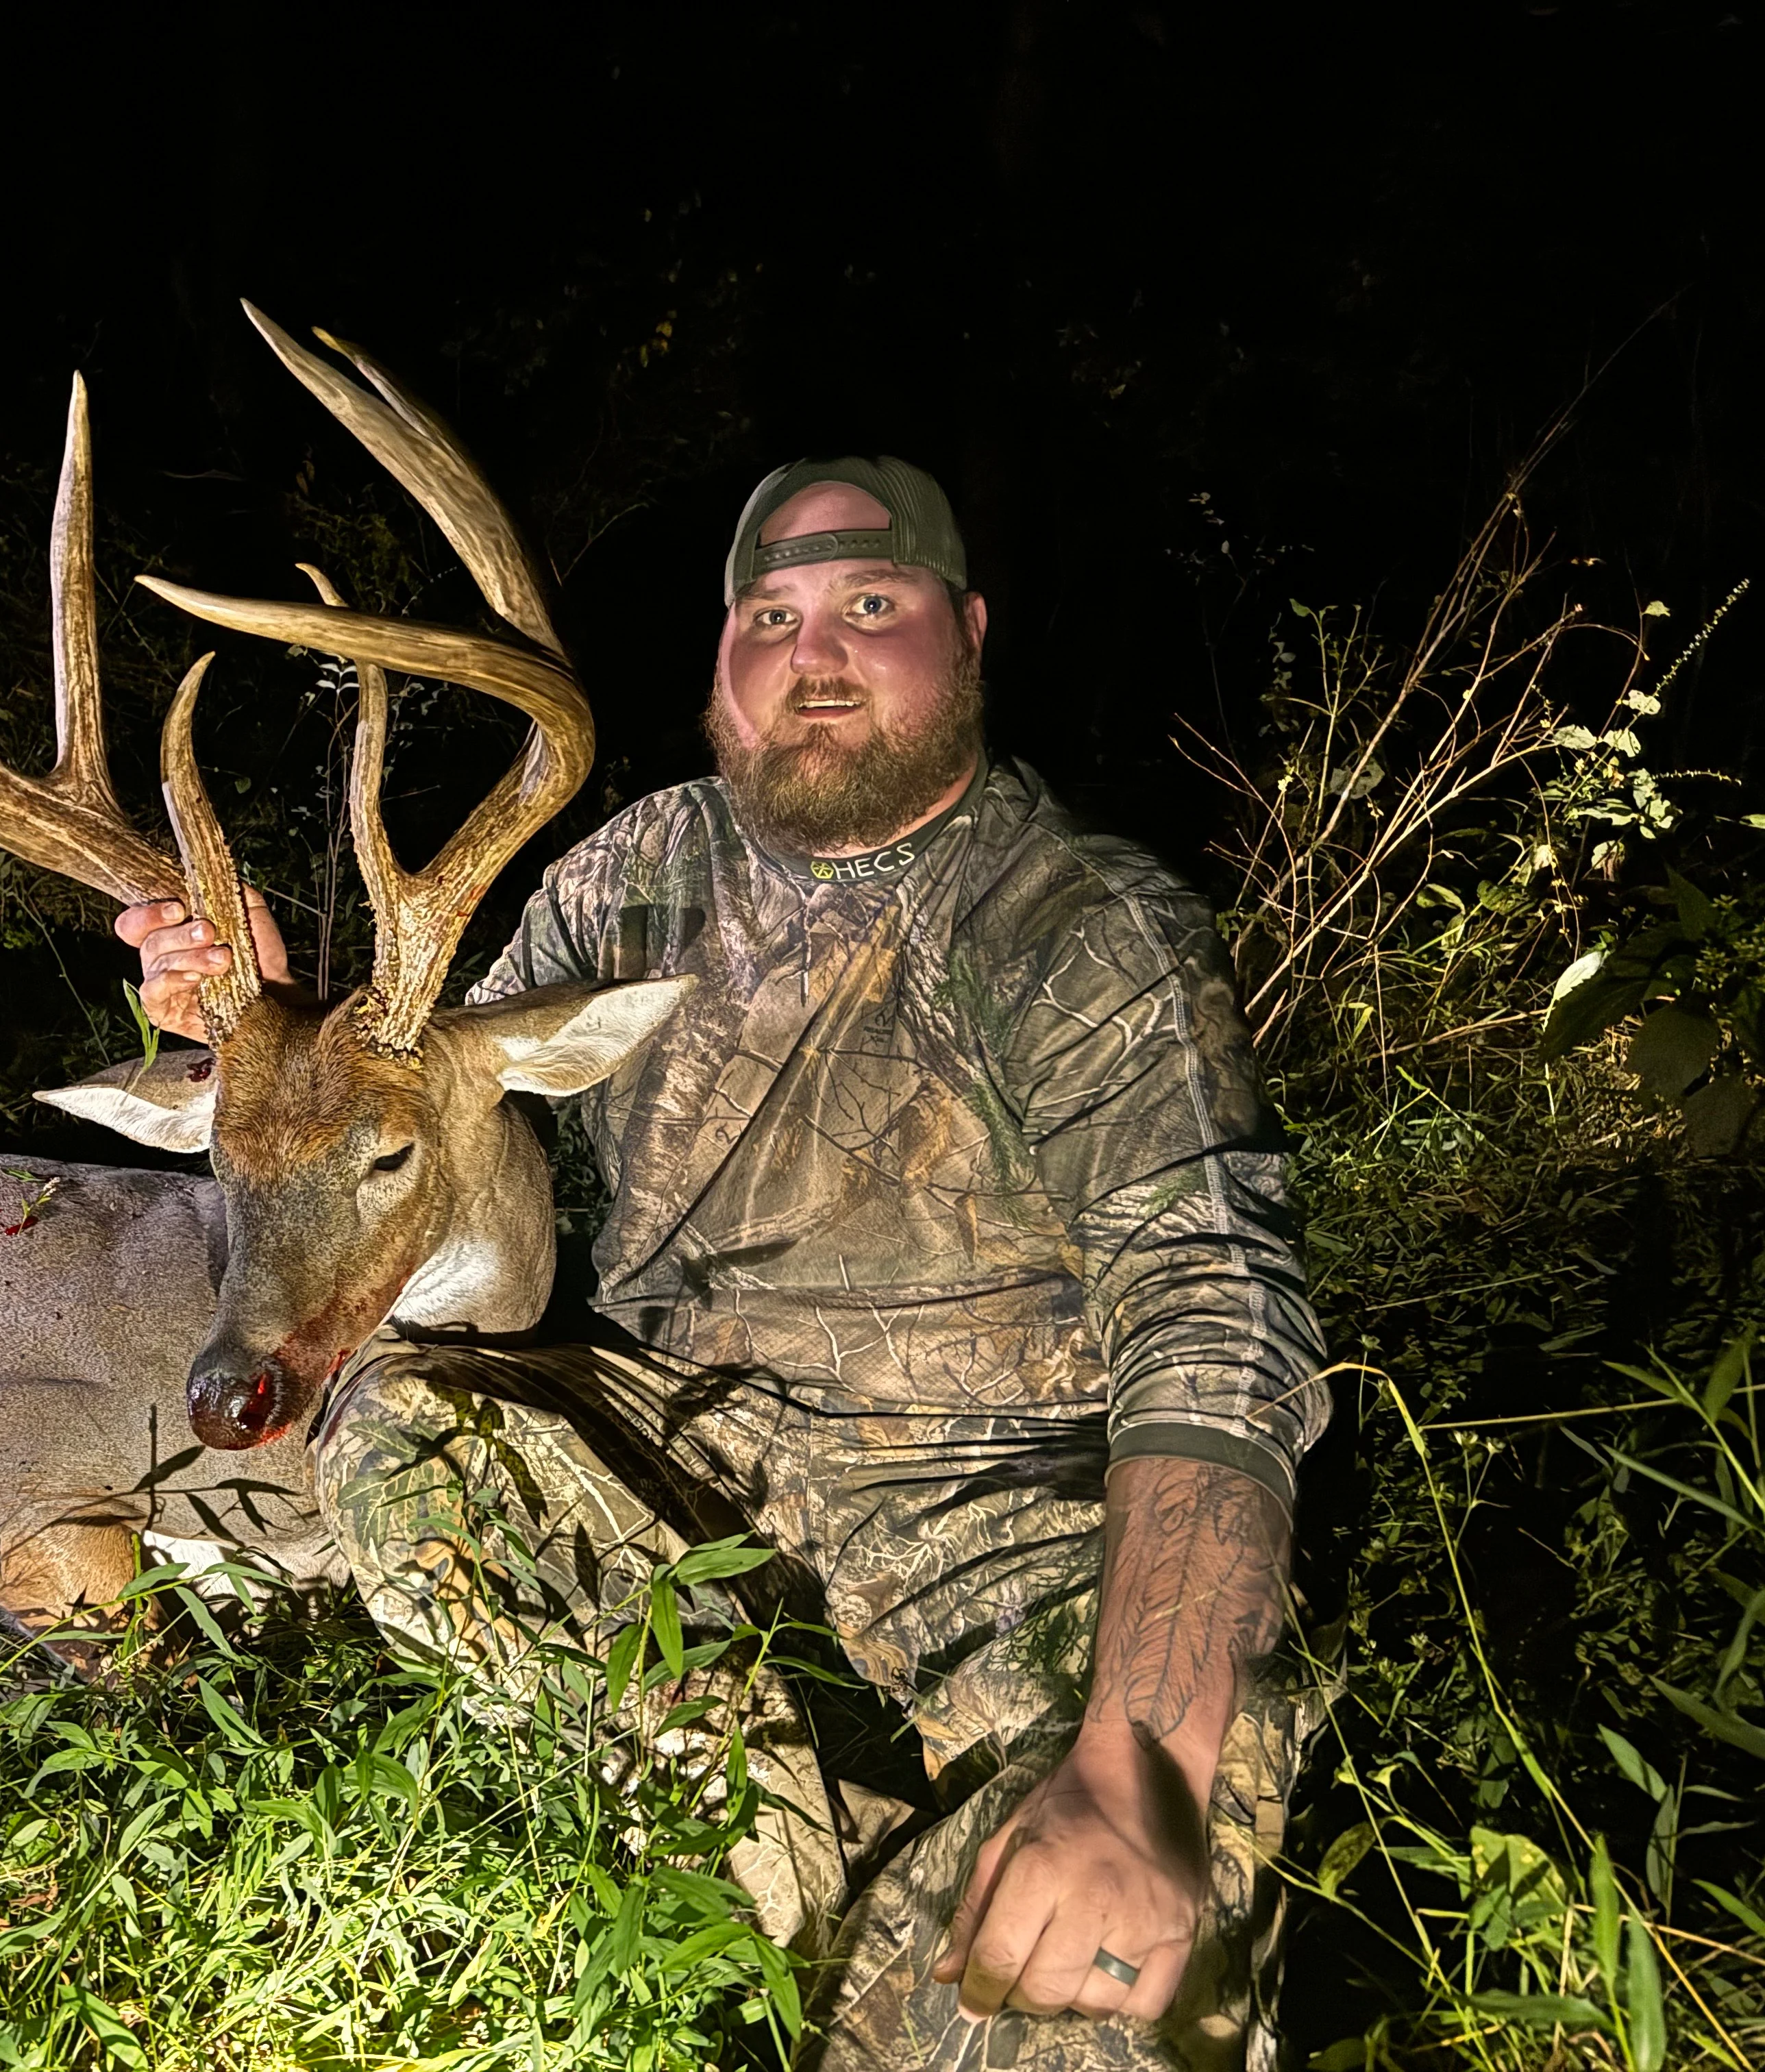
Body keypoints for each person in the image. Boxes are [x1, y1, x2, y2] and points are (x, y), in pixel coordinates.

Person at [118, 458, 1326, 2071]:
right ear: (722, 661)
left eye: (871, 607)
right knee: (403, 1428)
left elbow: (1216, 1318)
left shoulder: (1083, 927)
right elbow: (447, 1122)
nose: (815, 652)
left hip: (1000, 1498)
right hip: (686, 1436)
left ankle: (862, 1901)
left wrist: (1136, 1765)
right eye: (773, 614)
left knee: (1098, 1970)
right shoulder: (632, 873)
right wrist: (266, 1017)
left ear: (966, 634)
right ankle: (757, 1852)